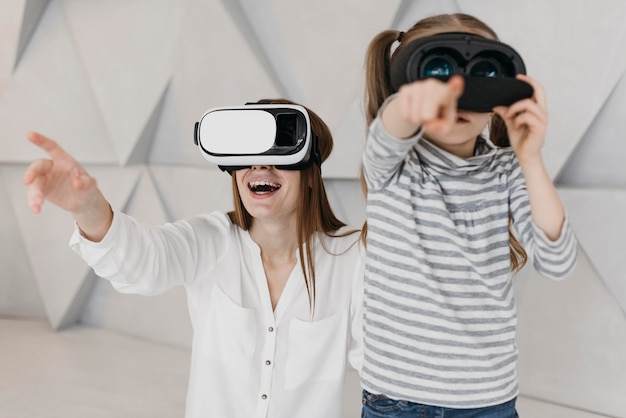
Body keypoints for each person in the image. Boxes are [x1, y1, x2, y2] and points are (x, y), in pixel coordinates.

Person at [23, 99, 364, 418]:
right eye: (247, 151)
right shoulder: (210, 240)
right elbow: (143, 263)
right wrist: (88, 208)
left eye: (281, 147)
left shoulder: (353, 257)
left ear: (310, 171)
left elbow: (383, 366)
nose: (260, 165)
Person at [359, 13, 578, 417]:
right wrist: (417, 103)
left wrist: (531, 157)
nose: (458, 91)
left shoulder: (508, 169)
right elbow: (389, 130)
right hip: (398, 400)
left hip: (486, 401)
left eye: (482, 76)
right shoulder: (392, 164)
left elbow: (557, 261)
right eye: (439, 74)